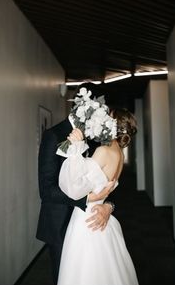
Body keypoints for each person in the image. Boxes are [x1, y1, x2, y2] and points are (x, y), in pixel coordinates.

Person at [36, 83, 115, 285]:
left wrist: (109, 206)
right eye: (99, 111)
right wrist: (87, 199)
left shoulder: (95, 139)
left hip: (87, 225)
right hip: (60, 224)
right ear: (85, 107)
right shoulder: (53, 136)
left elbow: (104, 183)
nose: (101, 117)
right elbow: (46, 190)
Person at [57, 108, 139, 285]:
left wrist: (75, 149)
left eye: (106, 118)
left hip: (86, 218)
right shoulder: (118, 153)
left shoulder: (104, 151)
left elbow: (74, 188)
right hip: (99, 213)